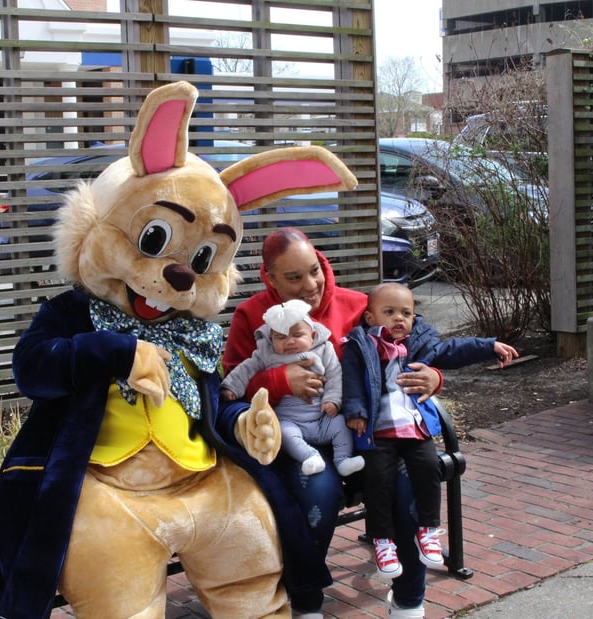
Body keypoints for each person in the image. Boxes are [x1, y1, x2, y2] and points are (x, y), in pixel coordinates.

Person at [219, 228, 443, 619]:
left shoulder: (360, 306)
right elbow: (230, 392)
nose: (310, 285)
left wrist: (434, 377)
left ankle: (409, 600)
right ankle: (305, 602)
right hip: (295, 438)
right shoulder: (251, 316)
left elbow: (417, 342)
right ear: (269, 278)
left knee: (409, 483)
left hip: (365, 435)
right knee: (319, 493)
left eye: (315, 270)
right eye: (294, 277)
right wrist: (278, 380)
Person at [341, 282, 519, 580]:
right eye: (389, 312)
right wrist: (356, 411)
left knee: (429, 468)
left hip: (414, 428)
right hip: (378, 431)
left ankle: (428, 530)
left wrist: (489, 346)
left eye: (406, 313)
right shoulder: (360, 345)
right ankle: (383, 541)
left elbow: (453, 350)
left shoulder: (419, 343)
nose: (399, 318)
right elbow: (352, 380)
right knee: (378, 480)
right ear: (371, 318)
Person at [220, 299, 365, 477]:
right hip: (289, 420)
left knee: (340, 423)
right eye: (281, 337)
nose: (289, 342)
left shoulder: (324, 349)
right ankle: (310, 457)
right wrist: (232, 387)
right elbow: (245, 369)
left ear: (312, 335)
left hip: (321, 416)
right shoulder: (266, 354)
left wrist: (332, 400)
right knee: (283, 433)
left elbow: (335, 374)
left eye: (297, 335)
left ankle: (342, 459)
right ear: (271, 339)